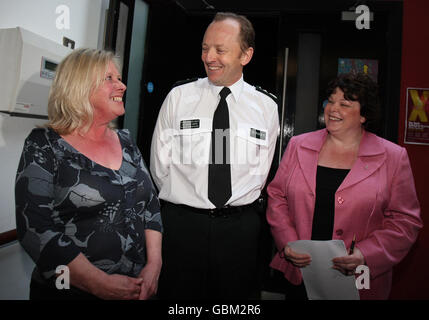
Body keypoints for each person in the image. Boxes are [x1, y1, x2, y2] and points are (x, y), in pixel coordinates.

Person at [15, 48, 163, 300]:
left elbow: (150, 206)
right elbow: (35, 229)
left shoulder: (126, 141)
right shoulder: (45, 144)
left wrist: (154, 266)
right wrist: (98, 284)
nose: (122, 85)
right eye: (110, 79)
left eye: (119, 78)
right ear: (80, 86)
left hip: (138, 288)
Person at [150, 12, 279, 299]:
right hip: (182, 226)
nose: (210, 57)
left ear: (246, 55)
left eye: (220, 50)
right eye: (205, 48)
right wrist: (188, 200)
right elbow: (159, 166)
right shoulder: (179, 97)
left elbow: (261, 173)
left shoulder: (266, 106)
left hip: (240, 230)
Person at [266, 72, 423, 300]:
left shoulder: (393, 157)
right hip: (303, 273)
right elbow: (277, 196)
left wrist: (366, 254)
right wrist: (288, 242)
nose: (333, 108)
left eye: (345, 103)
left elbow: (405, 221)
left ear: (363, 115)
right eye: (330, 101)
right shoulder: (299, 145)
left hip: (358, 280)